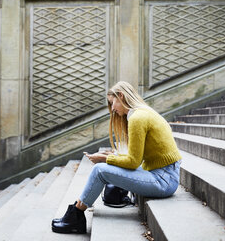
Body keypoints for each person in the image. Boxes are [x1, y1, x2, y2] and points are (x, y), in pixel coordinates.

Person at [51, 81, 182, 234]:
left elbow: (133, 162)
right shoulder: (142, 112)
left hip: (163, 180)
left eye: (113, 103)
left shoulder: (137, 118)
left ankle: (77, 214)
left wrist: (104, 159)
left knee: (100, 170)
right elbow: (136, 156)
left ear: (121, 96)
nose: (112, 109)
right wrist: (113, 156)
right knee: (107, 166)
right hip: (163, 174)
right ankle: (77, 210)